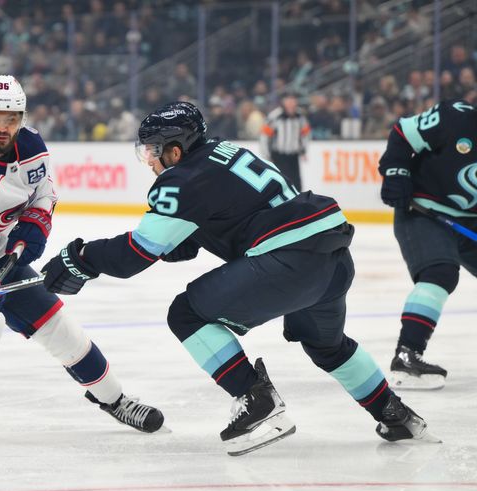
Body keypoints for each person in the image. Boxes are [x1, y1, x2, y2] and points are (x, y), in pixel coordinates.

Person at [42, 101, 434, 456]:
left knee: (186, 314)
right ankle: (393, 412)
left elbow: (134, 256)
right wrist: (164, 244)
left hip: (289, 262)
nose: (149, 161)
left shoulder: (181, 180)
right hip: (331, 259)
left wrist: (80, 257)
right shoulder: (226, 153)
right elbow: (201, 233)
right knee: (327, 347)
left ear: (174, 150)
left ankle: (256, 400)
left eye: (152, 151)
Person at [0, 74, 163, 437]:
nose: (2, 128)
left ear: (21, 117)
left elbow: (44, 192)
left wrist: (36, 223)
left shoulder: (33, 146)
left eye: (10, 119)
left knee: (59, 328)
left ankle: (114, 399)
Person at [378, 99, 477, 390]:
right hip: (424, 210)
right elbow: (402, 133)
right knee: (440, 273)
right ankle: (407, 355)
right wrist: (396, 171)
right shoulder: (454, 117)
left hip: (470, 220)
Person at [259, 93, 310, 190]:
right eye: (288, 100)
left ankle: (296, 204)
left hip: (293, 156)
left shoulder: (300, 116)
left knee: (296, 185)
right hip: (278, 156)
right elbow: (264, 137)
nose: (291, 103)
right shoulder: (275, 116)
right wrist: (266, 155)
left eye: (293, 100)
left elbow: (305, 133)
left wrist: (303, 150)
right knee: (281, 183)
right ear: (283, 102)